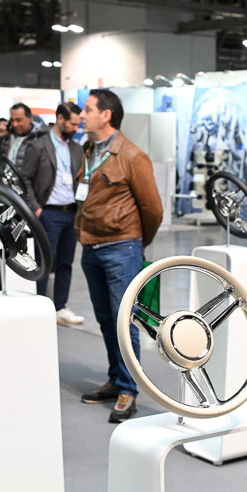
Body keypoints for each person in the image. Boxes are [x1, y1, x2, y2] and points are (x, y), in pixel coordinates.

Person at [77, 89, 163, 422]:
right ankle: (116, 379)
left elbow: (153, 209)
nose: (81, 115)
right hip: (91, 247)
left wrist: (137, 243)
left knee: (123, 320)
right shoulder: (89, 151)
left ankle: (129, 389)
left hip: (121, 249)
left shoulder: (132, 156)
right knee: (104, 319)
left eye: (87, 110)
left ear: (106, 115)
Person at [19, 102, 86, 326]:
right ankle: (38, 307)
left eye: (78, 124)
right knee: (43, 262)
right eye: (72, 124)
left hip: (70, 213)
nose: (76, 128)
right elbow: (25, 178)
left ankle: (60, 307)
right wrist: (36, 208)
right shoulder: (39, 145)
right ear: (60, 119)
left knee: (66, 263)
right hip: (48, 213)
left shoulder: (76, 148)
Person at [0, 103, 47, 175]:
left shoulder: (40, 138)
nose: (15, 124)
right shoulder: (7, 135)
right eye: (12, 120)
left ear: (30, 118)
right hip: (5, 179)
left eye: (19, 120)